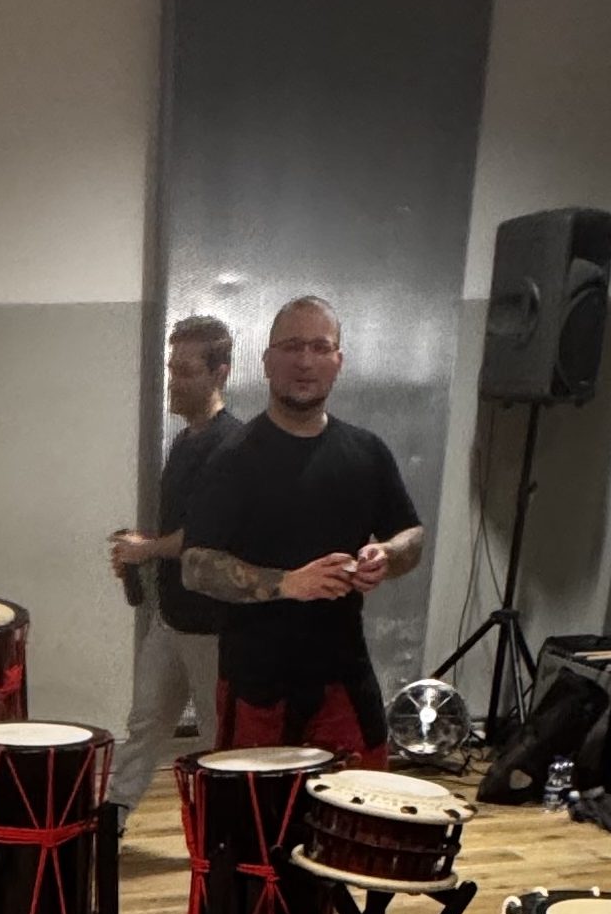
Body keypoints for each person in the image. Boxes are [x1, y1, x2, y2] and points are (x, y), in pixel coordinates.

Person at [179, 295, 424, 761]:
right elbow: (195, 566)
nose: (305, 361)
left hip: (344, 675)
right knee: (253, 825)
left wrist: (389, 556)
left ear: (338, 361)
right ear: (269, 360)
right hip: (258, 682)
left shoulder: (367, 453)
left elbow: (411, 534)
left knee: (358, 818)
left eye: (319, 347)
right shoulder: (231, 459)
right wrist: (289, 583)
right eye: (292, 347)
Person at [104, 317, 247, 815]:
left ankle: (226, 839)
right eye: (171, 368)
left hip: (214, 626)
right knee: (145, 724)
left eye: (185, 370)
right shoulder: (185, 440)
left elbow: (209, 536)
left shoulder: (233, 446)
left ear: (219, 373)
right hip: (171, 618)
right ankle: (110, 824)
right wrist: (144, 549)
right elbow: (180, 531)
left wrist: (147, 549)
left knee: (218, 742)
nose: (173, 380)